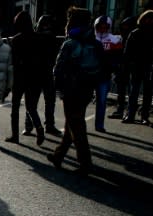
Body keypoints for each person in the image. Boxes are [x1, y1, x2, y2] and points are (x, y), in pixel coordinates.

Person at [48, 7, 106, 175]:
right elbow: (103, 66)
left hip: (71, 88)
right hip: (88, 87)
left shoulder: (70, 43)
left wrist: (58, 89)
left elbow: (58, 70)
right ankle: (59, 155)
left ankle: (85, 162)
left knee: (76, 124)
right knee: (73, 121)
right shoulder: (95, 43)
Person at [6, 10, 45, 145]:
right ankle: (39, 128)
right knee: (31, 107)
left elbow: (14, 61)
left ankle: (15, 136)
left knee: (15, 107)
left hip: (20, 77)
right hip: (35, 76)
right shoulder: (39, 38)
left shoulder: (16, 39)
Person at [122, 10, 153, 125]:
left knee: (147, 94)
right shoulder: (135, 33)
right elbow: (127, 52)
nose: (150, 21)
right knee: (134, 92)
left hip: (150, 67)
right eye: (148, 18)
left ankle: (144, 116)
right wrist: (128, 65)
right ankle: (131, 115)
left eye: (152, 19)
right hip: (137, 66)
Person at [33, 15, 64, 136]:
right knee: (46, 101)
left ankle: (32, 125)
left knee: (37, 101)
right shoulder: (49, 37)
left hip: (41, 72)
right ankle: (47, 125)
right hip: (44, 72)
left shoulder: (41, 36)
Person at [93, 16, 123, 132]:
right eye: (100, 26)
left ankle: (99, 125)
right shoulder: (91, 38)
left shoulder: (115, 40)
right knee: (84, 100)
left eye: (105, 27)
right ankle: (79, 124)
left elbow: (117, 59)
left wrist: (115, 71)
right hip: (89, 74)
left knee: (102, 101)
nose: (102, 29)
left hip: (104, 75)